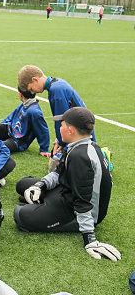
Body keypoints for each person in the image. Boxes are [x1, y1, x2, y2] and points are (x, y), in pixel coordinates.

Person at [13, 107, 120, 262]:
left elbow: (83, 200)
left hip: (76, 211)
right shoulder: (82, 145)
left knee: (20, 215)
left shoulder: (80, 156)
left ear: (70, 130)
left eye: (61, 125)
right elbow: (58, 173)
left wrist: (89, 239)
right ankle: (41, 199)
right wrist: (40, 185)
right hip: (67, 192)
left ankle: (47, 208)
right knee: (22, 185)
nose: (59, 128)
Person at [17, 65, 95, 155]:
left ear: (35, 80)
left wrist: (60, 142)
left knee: (55, 163)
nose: (33, 93)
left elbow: (62, 120)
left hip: (81, 138)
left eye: (31, 89)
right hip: (81, 134)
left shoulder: (55, 90)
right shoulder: (57, 83)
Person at [0, 87, 50, 156]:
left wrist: (44, 149)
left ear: (20, 94)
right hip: (9, 129)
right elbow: (11, 117)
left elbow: (43, 131)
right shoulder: (25, 104)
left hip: (18, 141)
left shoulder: (35, 112)